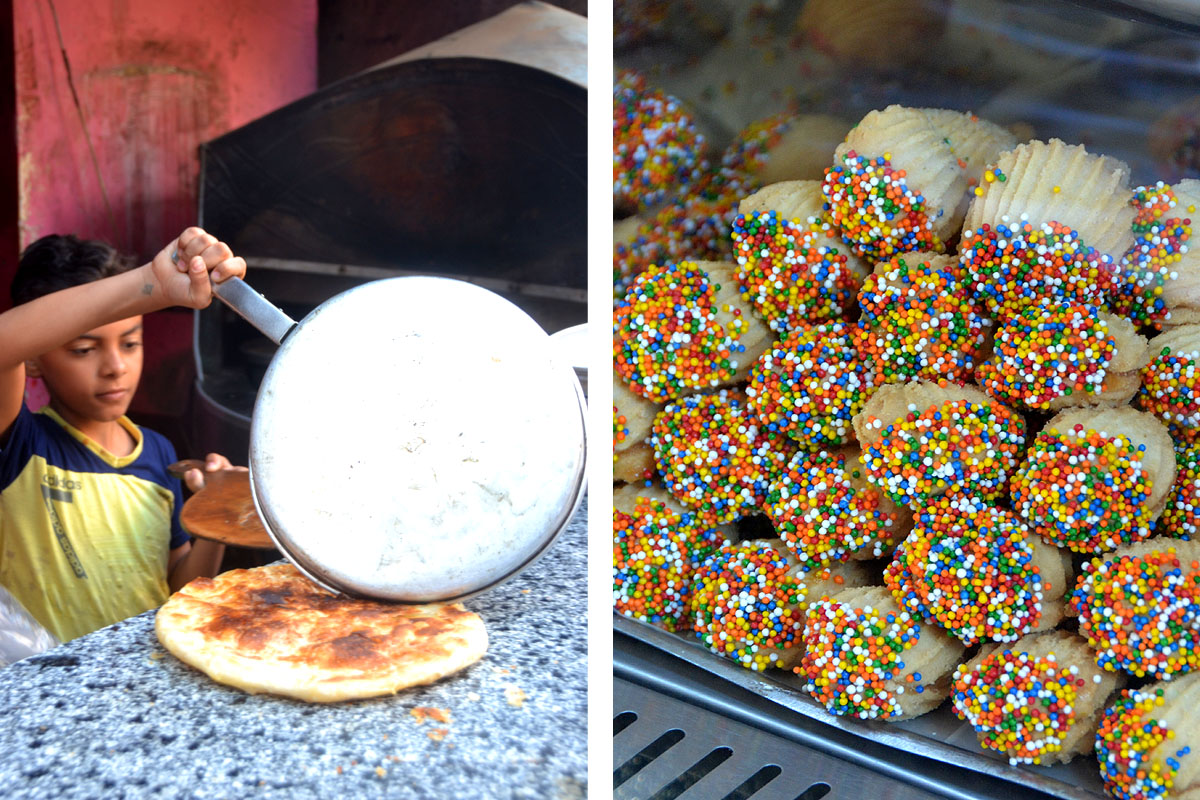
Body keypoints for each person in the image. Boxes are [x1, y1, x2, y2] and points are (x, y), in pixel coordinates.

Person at [0, 227, 247, 642]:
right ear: (34, 360)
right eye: (83, 349)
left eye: (130, 343)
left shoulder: (159, 454)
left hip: (137, 681)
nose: (115, 366)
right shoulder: (20, 444)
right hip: (48, 694)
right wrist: (150, 285)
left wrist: (215, 517)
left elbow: (178, 593)